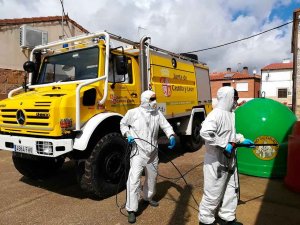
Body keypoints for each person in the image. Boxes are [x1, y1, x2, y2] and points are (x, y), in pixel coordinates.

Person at [198, 86, 255, 225]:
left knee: (231, 189)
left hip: (229, 158)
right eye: (235, 98)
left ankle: (227, 217)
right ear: (228, 98)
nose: (237, 101)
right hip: (215, 160)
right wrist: (224, 144)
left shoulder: (230, 114)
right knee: (213, 192)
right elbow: (205, 132)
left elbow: (230, 134)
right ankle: (205, 220)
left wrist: (241, 139)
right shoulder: (216, 114)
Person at [120, 90, 176, 224]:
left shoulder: (157, 114)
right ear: (145, 100)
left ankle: (148, 197)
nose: (154, 102)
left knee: (152, 177)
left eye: (155, 98)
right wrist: (127, 134)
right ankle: (131, 209)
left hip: (153, 152)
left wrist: (171, 135)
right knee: (134, 180)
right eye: (152, 99)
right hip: (138, 152)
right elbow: (123, 124)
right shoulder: (133, 113)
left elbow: (166, 126)